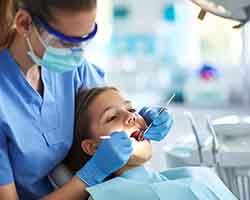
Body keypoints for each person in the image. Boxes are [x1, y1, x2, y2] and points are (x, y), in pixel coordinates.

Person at [0, 1, 173, 199]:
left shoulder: (73, 67)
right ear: (24, 23)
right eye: (66, 42)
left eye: (85, 39)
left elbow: (109, 106)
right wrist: (91, 175)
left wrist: (141, 117)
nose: (77, 53)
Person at [63, 86, 237, 200]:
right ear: (93, 147)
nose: (131, 116)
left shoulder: (192, 175)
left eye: (131, 109)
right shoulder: (107, 196)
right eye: (112, 117)